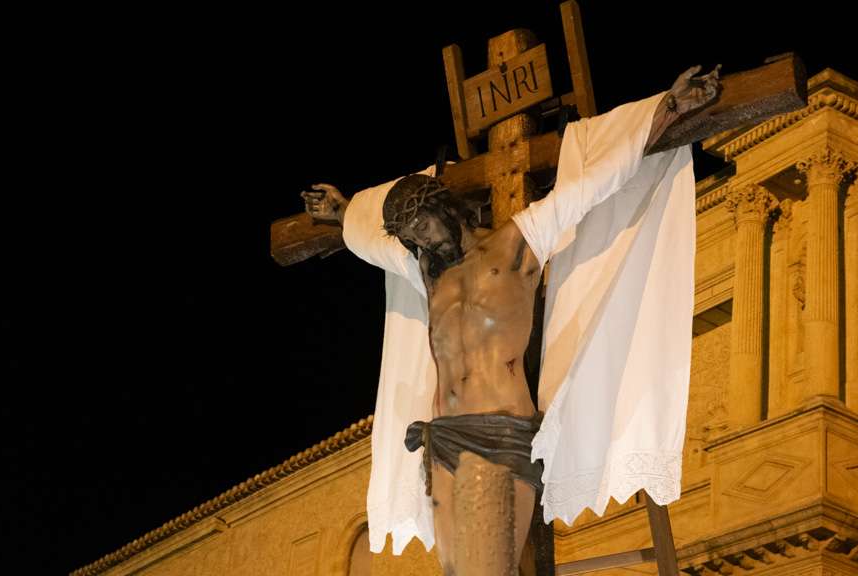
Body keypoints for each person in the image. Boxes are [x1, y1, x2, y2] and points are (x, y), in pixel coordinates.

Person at [302, 64, 719, 574]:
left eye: (425, 227)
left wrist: (669, 109)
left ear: (446, 206)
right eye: (412, 236)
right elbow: (372, 245)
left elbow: (589, 187)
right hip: (443, 436)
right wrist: (345, 212)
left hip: (497, 435)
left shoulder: (517, 244)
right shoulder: (428, 272)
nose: (423, 242)